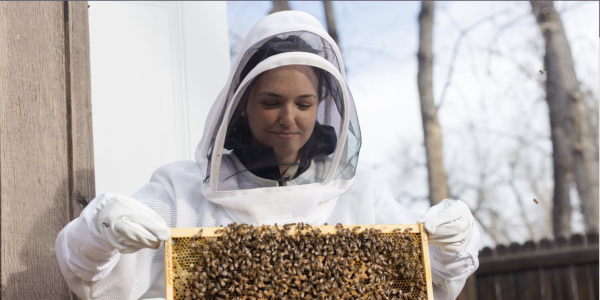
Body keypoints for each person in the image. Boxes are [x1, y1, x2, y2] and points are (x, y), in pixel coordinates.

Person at [55, 11, 479, 300]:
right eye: (272, 101)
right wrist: (98, 232)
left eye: (304, 103)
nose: (288, 118)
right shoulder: (185, 192)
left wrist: (450, 245)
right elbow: (92, 280)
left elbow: (434, 282)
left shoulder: (360, 193)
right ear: (242, 102)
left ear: (323, 104)